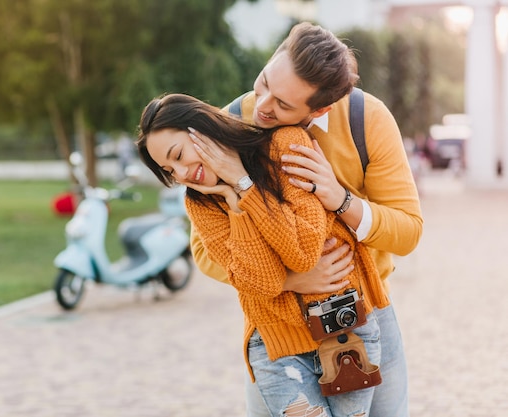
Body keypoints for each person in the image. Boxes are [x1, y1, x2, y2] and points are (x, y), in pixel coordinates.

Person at [191, 22, 423, 417]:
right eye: (263, 82)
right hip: (275, 327)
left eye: (283, 104)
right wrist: (286, 281)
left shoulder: (366, 120)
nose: (262, 105)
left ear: (320, 109)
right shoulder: (230, 124)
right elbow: (203, 249)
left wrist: (339, 198)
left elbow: (407, 231)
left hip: (362, 316)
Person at [137, 93, 391, 416]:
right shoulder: (200, 202)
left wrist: (246, 187)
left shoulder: (285, 146)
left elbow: (304, 253)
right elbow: (261, 281)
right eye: (169, 170)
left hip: (345, 333)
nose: (182, 173)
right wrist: (235, 200)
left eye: (179, 155)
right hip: (276, 345)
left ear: (201, 128)